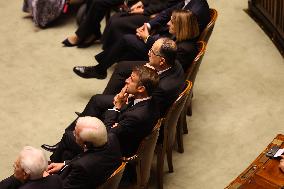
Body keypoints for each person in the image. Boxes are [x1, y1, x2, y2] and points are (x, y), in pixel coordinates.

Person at [42, 65, 160, 158]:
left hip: (115, 151)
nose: (126, 80)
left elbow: (107, 136)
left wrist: (116, 107)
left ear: (141, 88)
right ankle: (61, 167)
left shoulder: (136, 116)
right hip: (122, 136)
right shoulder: (148, 99)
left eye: (131, 79)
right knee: (67, 153)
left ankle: (50, 168)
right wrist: (117, 120)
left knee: (68, 137)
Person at [73, 8, 202, 79]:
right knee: (127, 45)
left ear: (181, 27)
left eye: (172, 22)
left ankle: (100, 68)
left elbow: (168, 68)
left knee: (125, 52)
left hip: (159, 61)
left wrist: (148, 39)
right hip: (160, 50)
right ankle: (101, 67)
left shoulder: (184, 48)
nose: (168, 23)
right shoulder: (180, 37)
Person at [46, 116, 122, 189]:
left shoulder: (82, 167)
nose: (73, 133)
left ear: (85, 144)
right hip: (101, 173)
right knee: (66, 153)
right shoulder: (112, 138)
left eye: (75, 133)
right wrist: (64, 164)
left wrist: (47, 179)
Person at [101, 0, 179, 50]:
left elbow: (166, 7)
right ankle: (108, 49)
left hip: (155, 15)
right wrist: (142, 2)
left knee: (118, 23)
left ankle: (114, 52)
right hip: (148, 7)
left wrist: (145, 10)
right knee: (115, 17)